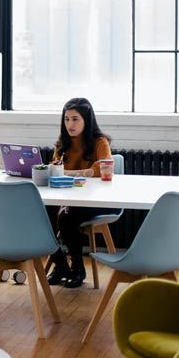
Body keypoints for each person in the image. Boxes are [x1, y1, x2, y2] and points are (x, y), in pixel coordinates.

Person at [46, 97, 118, 288]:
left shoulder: (99, 142)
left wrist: (68, 173)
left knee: (66, 217)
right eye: (67, 119)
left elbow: (102, 168)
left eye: (75, 119)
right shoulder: (61, 144)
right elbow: (55, 170)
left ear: (87, 120)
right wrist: (80, 173)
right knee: (42, 214)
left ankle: (78, 268)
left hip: (96, 200)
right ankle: (60, 263)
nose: (70, 124)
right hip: (67, 198)